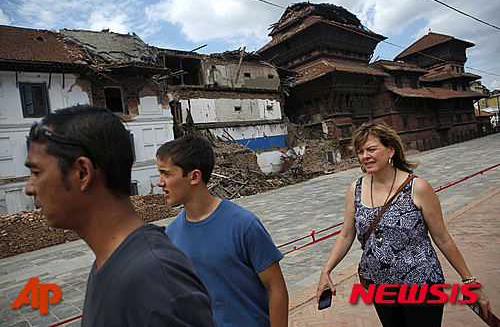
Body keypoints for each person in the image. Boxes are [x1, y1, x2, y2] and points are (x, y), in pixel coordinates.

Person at [24, 104, 214, 327]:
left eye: (36, 173)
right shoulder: (111, 263)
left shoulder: (155, 278)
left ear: (82, 173)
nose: (29, 187)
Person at [316, 119, 491, 327]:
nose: (365, 156)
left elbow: (442, 238)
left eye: (371, 149)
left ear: (390, 151)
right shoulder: (356, 189)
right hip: (380, 284)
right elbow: (346, 234)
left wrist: (469, 282)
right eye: (361, 151)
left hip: (421, 283)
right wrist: (326, 270)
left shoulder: (418, 187)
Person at [156, 135, 289, 327]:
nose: (160, 182)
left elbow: (276, 288)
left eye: (166, 174)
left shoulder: (244, 225)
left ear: (194, 176)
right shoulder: (172, 233)